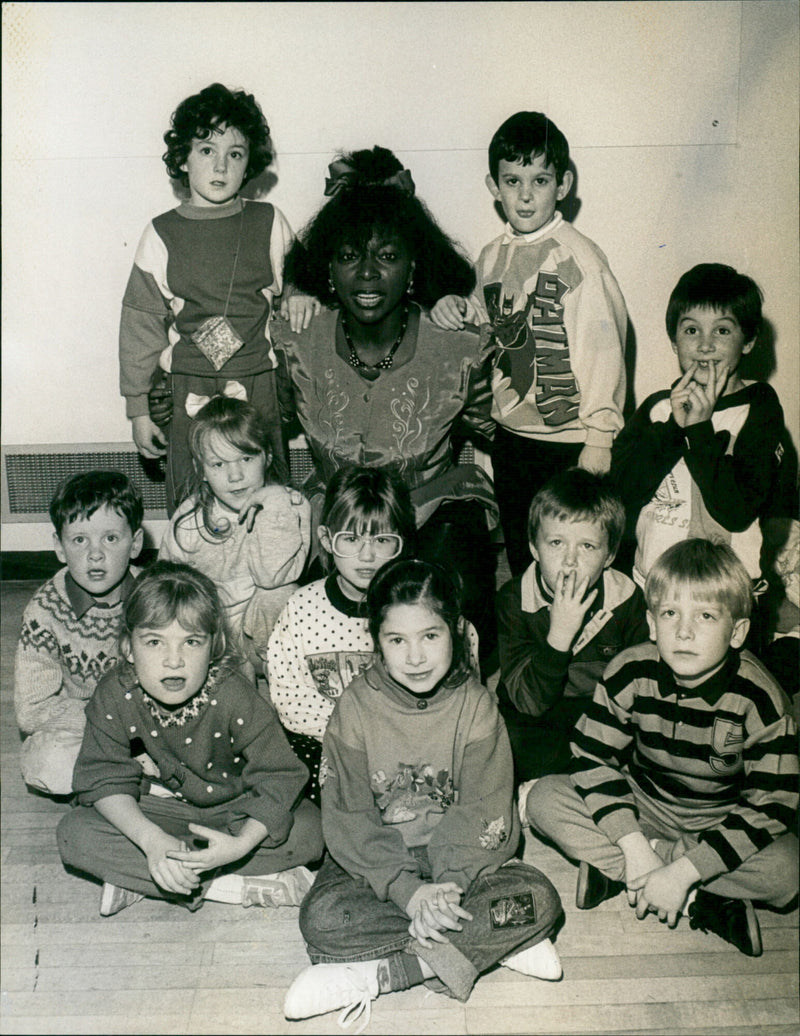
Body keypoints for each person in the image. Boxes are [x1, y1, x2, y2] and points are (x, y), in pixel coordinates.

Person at [283, 559, 564, 1027]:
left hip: (461, 864)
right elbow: (348, 815)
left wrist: (447, 888)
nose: (415, 657)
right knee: (323, 918)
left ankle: (385, 974)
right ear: (377, 642)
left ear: (455, 633)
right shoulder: (354, 707)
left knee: (539, 896)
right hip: (377, 866)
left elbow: (484, 808)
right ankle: (486, 944)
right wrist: (409, 893)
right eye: (397, 640)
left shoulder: (476, 706)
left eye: (430, 636)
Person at [274, 145, 499, 672]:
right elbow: (266, 422)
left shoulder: (455, 344)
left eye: (388, 256)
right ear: (328, 266)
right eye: (351, 256)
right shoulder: (299, 340)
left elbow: (498, 424)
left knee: (459, 547)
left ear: (415, 264)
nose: (369, 275)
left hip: (429, 518)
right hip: (336, 524)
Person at [524, 539, 799, 958]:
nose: (683, 631)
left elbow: (772, 804)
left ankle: (626, 874)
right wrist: (635, 846)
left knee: (789, 871)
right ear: (652, 624)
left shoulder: (760, 701)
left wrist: (685, 868)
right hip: (642, 804)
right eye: (670, 613)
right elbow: (592, 756)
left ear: (738, 631)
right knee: (544, 799)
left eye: (706, 616)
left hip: (720, 818)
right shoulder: (630, 671)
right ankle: (698, 898)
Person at [56, 562, 323, 916]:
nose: (173, 661)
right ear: (128, 647)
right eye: (154, 642)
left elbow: (281, 776)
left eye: (191, 642)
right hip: (155, 812)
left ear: (214, 647)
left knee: (312, 831)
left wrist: (241, 844)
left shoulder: (234, 694)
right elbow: (102, 778)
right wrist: (150, 841)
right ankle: (223, 883)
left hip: (234, 812)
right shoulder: (114, 694)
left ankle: (154, 880)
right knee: (73, 834)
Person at [431, 111, 627, 577]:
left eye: (539, 180)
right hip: (513, 436)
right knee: (525, 551)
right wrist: (453, 307)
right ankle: (530, 638)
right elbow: (483, 321)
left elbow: (605, 350)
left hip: (569, 441)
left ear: (563, 184)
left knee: (571, 556)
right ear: (493, 185)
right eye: (512, 180)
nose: (524, 194)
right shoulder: (492, 255)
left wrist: (600, 437)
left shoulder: (580, 256)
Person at [119, 83, 317, 514]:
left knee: (267, 498)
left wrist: (300, 294)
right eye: (207, 150)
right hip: (189, 385)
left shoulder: (269, 220)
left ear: (249, 165)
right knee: (193, 497)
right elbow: (140, 325)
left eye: (235, 153)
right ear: (182, 158)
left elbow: (303, 279)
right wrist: (139, 410)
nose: (221, 165)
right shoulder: (160, 232)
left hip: (257, 383)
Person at [611, 263, 790, 589]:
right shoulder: (657, 407)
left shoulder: (759, 407)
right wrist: (672, 428)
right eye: (691, 330)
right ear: (674, 342)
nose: (705, 345)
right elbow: (619, 495)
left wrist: (699, 429)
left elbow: (736, 512)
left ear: (748, 341)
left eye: (722, 331)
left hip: (727, 596)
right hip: (651, 587)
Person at [266, 466, 416, 805]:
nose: (366, 556)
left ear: (401, 543)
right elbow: (289, 696)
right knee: (284, 765)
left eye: (381, 540)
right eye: (350, 539)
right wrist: (349, 738)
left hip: (401, 738)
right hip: (322, 739)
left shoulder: (419, 606)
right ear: (325, 540)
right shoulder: (302, 607)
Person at [496, 468, 648, 782]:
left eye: (587, 547)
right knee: (505, 744)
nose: (570, 561)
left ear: (609, 556)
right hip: (536, 710)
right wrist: (559, 634)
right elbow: (528, 702)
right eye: (556, 543)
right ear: (534, 548)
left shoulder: (627, 599)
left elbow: (641, 692)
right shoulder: (514, 599)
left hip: (602, 710)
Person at [158, 395, 310, 675]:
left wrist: (273, 502)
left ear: (268, 456)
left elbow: (272, 576)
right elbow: (168, 590)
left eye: (246, 458)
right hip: (211, 635)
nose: (235, 475)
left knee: (280, 594)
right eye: (218, 464)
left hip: (265, 636)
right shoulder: (188, 521)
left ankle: (283, 677)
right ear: (200, 470)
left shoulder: (292, 506)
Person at [14, 471, 144, 796]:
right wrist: (112, 723)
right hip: (85, 726)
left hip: (148, 723)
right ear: (59, 547)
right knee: (46, 764)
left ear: (136, 543)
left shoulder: (154, 597)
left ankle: (116, 784)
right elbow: (31, 709)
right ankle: (130, 783)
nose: (95, 554)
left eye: (110, 538)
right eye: (79, 540)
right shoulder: (44, 612)